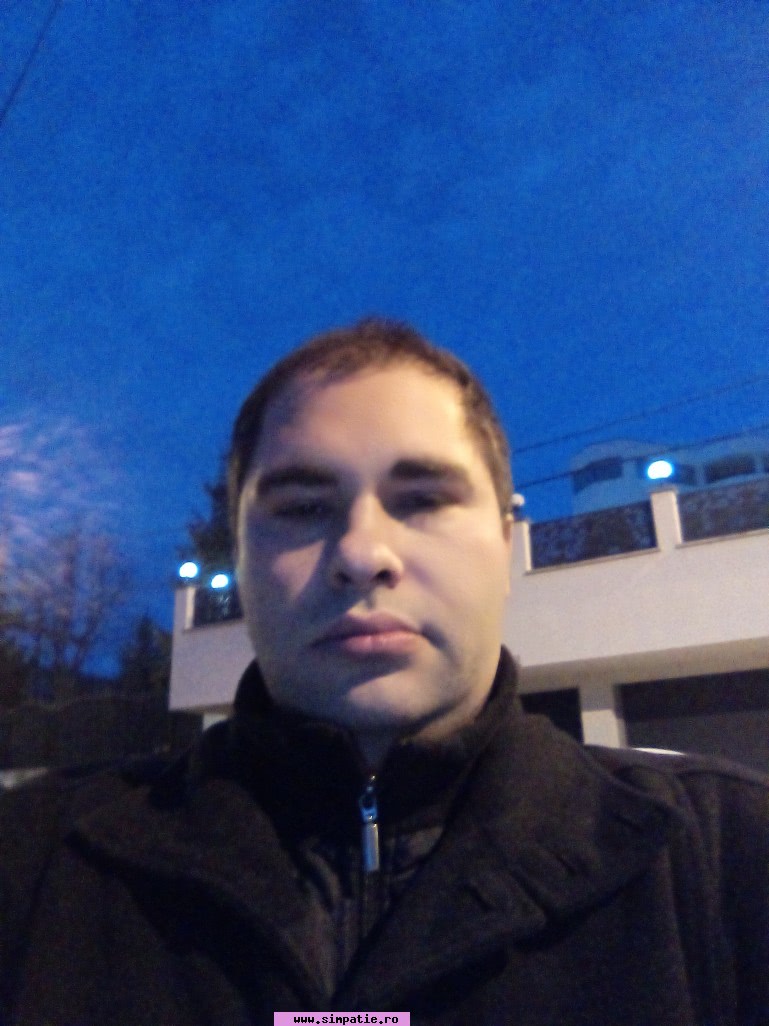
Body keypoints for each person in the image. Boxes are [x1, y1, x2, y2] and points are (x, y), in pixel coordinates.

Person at [1, 318, 767, 1026]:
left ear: (505, 545)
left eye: (423, 500)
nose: (362, 554)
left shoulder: (725, 855)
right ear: (241, 555)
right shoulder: (37, 857)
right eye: (303, 508)